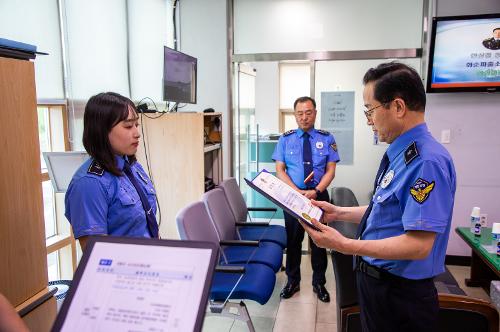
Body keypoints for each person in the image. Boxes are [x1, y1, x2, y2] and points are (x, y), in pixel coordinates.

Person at [302, 62, 456, 332]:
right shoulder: (403, 153)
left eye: (370, 110)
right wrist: (338, 212)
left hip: (400, 295)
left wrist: (346, 245)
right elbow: (387, 210)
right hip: (379, 284)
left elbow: (418, 245)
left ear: (398, 107)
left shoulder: (426, 161)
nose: (368, 120)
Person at [65, 92, 159, 251]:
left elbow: (147, 228)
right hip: (123, 272)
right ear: (101, 130)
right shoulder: (89, 184)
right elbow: (96, 255)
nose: (137, 133)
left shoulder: (132, 167)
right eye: (128, 126)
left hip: (149, 261)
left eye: (137, 125)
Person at [272, 96, 340, 302]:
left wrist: (317, 191)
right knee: (293, 242)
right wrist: (296, 192)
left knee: (320, 241)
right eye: (300, 113)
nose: (304, 117)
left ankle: (319, 283)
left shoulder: (327, 138)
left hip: (318, 197)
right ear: (295, 115)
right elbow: (279, 170)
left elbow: (331, 170)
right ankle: (293, 281)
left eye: (308, 112)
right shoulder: (285, 139)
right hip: (293, 198)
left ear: (315, 113)